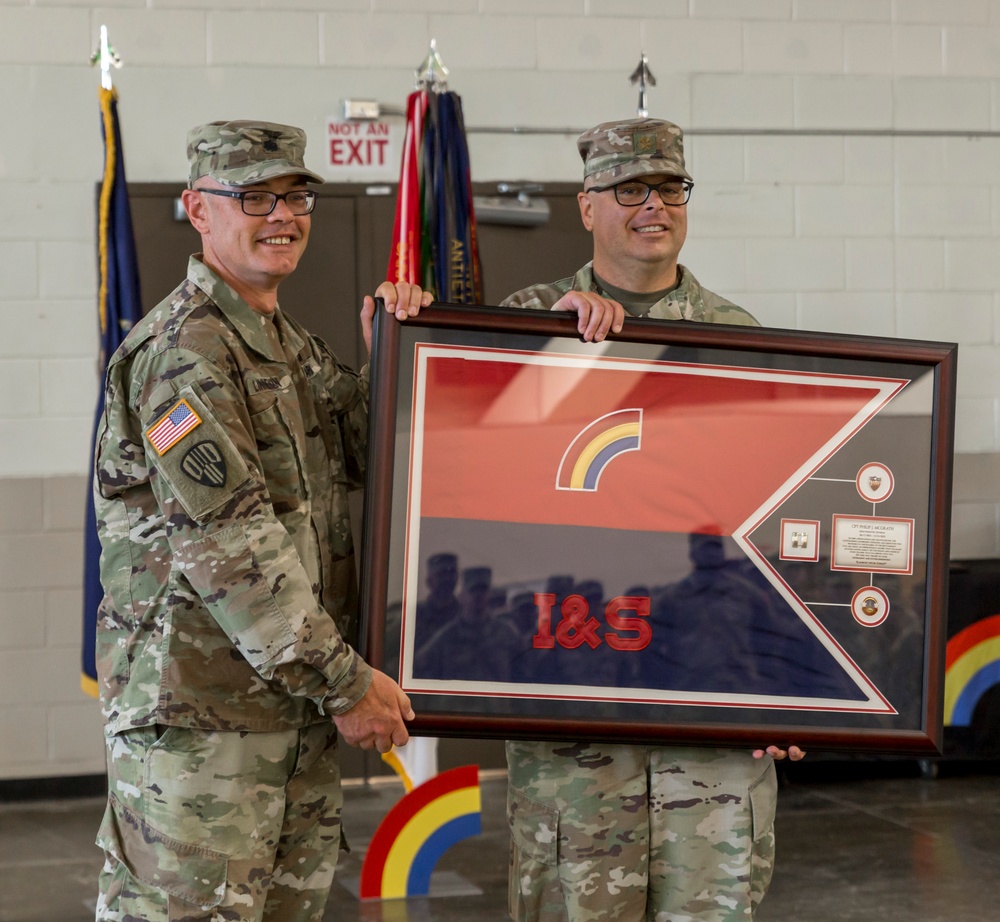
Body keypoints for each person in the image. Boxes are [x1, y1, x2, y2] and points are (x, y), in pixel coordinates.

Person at [91, 119, 429, 922]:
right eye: (254, 197)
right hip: (204, 728)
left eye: (296, 194)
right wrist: (345, 683)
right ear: (198, 211)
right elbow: (229, 546)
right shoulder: (185, 352)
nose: (282, 214)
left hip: (286, 717)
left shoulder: (284, 343)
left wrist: (397, 350)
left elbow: (367, 454)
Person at [498, 118, 806, 922]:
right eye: (628, 189)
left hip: (711, 730)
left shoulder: (739, 339)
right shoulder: (523, 329)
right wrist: (554, 358)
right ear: (587, 206)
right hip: (577, 727)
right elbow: (480, 480)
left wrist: (797, 686)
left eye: (669, 187)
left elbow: (775, 525)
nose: (652, 206)